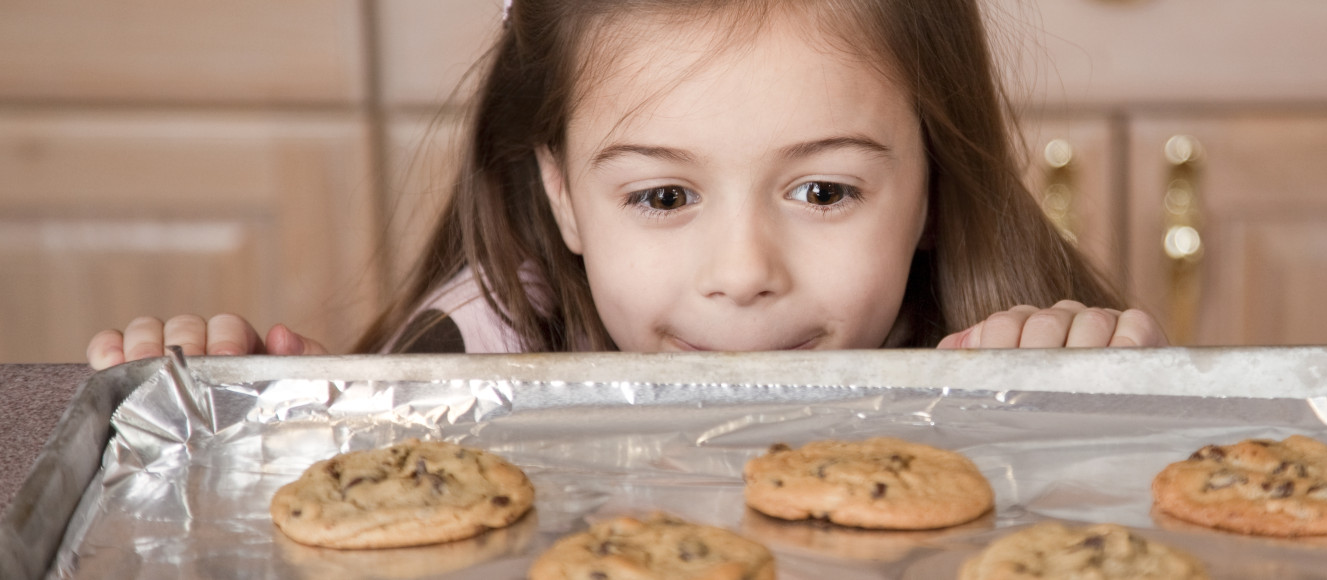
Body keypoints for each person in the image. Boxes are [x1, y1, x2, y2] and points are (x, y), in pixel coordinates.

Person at [87, 0, 1166, 370]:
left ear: (930, 182)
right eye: (663, 197)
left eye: (824, 192)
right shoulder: (475, 354)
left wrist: (1097, 402)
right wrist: (246, 411)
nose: (742, 276)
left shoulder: (1003, 353)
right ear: (561, 196)